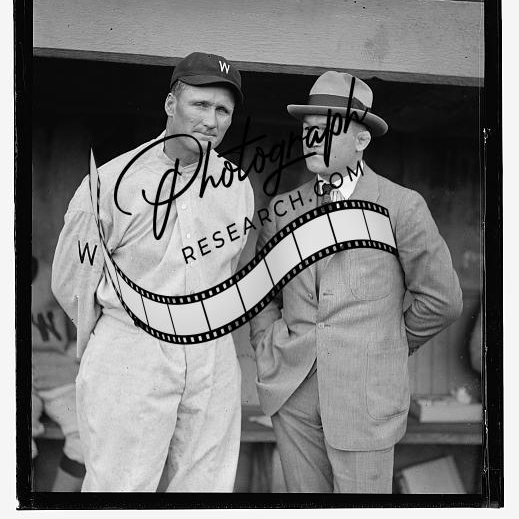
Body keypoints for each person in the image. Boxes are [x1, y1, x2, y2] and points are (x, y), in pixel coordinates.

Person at [250, 71, 463, 493]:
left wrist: (387, 345)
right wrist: (267, 344)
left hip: (365, 397)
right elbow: (261, 293)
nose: (312, 139)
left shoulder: (401, 206)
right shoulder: (282, 208)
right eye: (308, 129)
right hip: (292, 392)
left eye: (327, 130)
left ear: (361, 139)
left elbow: (443, 300)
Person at [52, 52, 254, 492]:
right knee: (120, 488)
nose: (211, 121)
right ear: (170, 104)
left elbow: (226, 267)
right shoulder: (112, 182)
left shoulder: (237, 185)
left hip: (211, 352)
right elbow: (72, 283)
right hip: (134, 347)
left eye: (223, 111)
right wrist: (118, 340)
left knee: (207, 488)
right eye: (200, 105)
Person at [32, 256, 86, 491]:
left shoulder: (52, 274)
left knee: (86, 436)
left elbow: (79, 325)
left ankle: (54, 505)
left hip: (56, 370)